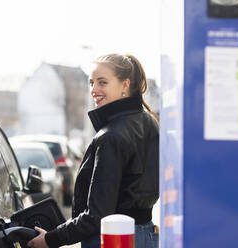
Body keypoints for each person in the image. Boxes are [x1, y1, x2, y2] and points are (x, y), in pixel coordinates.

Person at [28, 53, 159, 248]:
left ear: (125, 85)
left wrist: (50, 239)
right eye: (91, 83)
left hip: (112, 239)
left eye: (102, 82)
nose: (94, 90)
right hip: (145, 234)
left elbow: (96, 216)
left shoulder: (110, 137)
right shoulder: (151, 123)